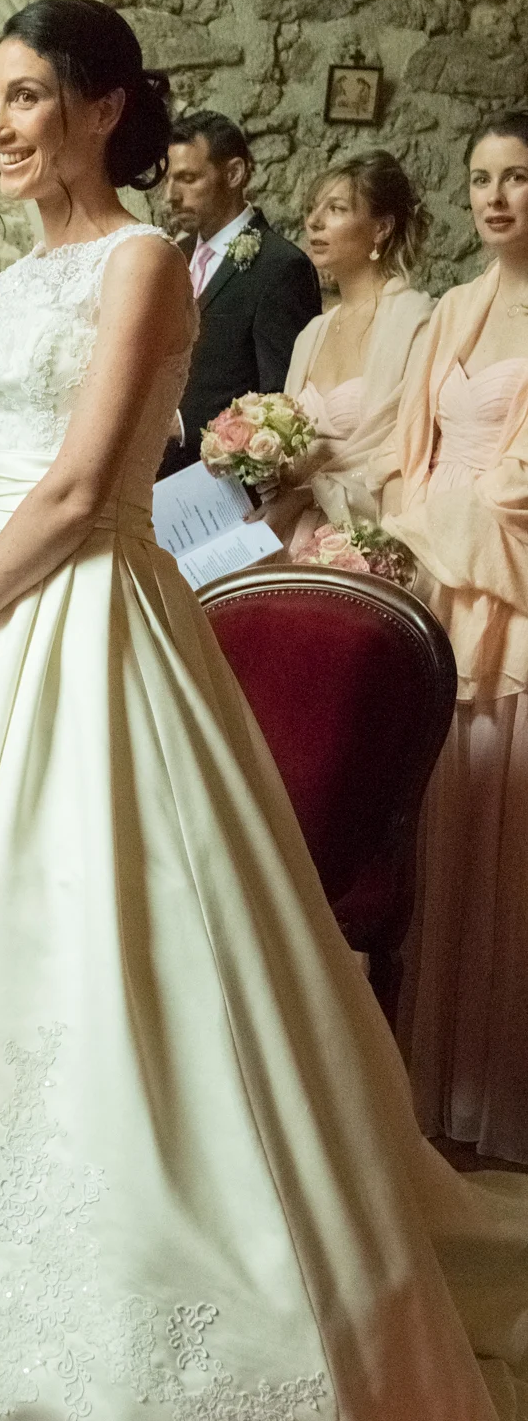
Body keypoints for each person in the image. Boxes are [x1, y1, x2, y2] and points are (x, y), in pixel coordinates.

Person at [0, 0, 528, 1421]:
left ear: (99, 110)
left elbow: (83, 490)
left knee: (98, 947)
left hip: (88, 619)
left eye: (26, 95)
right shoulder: (21, 278)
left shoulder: (141, 261)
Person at [382, 110, 528, 1164]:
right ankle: (435, 1083)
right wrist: (405, 526)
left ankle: (504, 1089)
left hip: (509, 580)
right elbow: (408, 452)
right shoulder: (450, 311)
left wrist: (427, 521)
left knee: (509, 826)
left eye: (516, 177)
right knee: (444, 811)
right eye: (480, 177)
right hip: (442, 575)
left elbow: (513, 486)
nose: (494, 197)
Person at [263, 151, 432, 552]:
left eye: (336, 209)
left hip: (368, 534)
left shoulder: (417, 322)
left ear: (381, 228)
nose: (314, 221)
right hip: (287, 530)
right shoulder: (312, 334)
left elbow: (408, 455)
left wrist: (308, 495)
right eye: (312, 208)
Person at [159, 110, 320, 475]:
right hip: (151, 469)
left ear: (234, 174)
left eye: (188, 178)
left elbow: (281, 399)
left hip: (222, 479)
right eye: (168, 180)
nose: (171, 196)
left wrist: (183, 423)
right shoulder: (173, 254)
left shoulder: (280, 266)